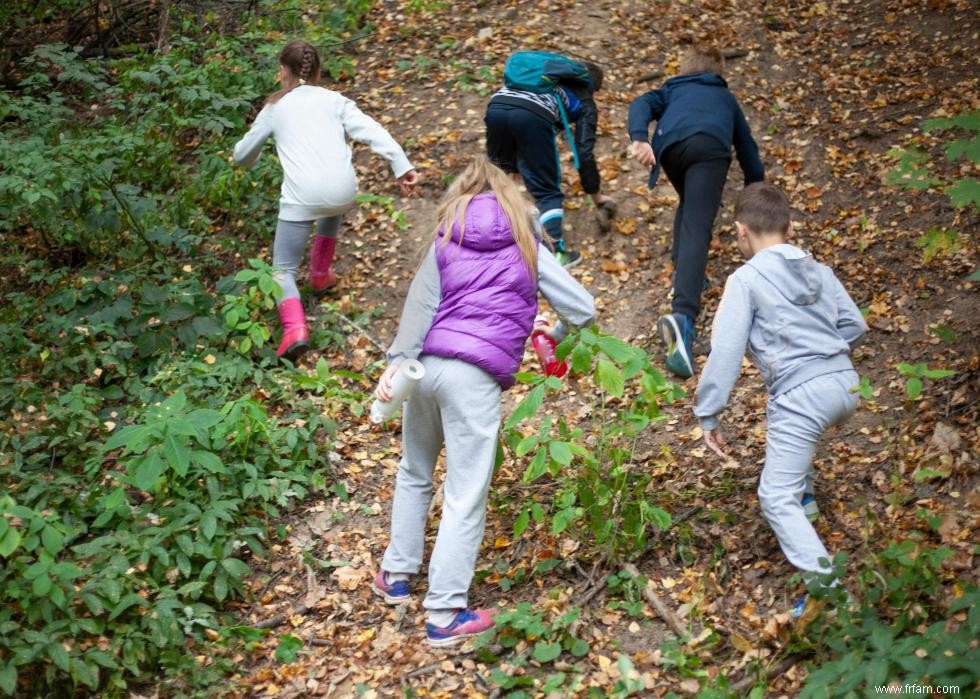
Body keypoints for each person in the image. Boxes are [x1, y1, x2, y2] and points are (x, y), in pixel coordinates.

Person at [372, 156, 595, 646]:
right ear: (511, 199)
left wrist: (396, 364)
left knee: (414, 470)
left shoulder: (447, 237)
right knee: (465, 491)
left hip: (425, 367)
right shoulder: (526, 241)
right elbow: (583, 308)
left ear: (462, 196)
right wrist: (552, 333)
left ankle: (396, 575)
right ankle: (445, 613)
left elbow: (419, 304)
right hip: (473, 375)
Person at [694, 183, 867, 617]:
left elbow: (726, 351)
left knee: (774, 495)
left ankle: (831, 597)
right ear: (789, 227)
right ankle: (807, 502)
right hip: (845, 383)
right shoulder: (820, 270)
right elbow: (856, 325)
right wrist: (825, 357)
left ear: (740, 231)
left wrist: (708, 412)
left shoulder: (746, 279)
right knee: (789, 425)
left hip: (803, 394)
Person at [233, 39, 418, 361]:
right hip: (343, 192)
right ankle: (320, 275)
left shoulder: (274, 108)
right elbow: (373, 131)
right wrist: (401, 166)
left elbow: (242, 157)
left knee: (283, 269)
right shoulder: (336, 101)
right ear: (318, 71)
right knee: (330, 197)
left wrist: (244, 155)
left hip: (302, 196)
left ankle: (294, 329)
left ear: (282, 71)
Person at [628, 44, 765, 378]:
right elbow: (748, 151)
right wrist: (755, 191)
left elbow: (641, 102)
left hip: (669, 147)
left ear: (685, 68)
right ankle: (683, 318)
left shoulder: (671, 90)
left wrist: (639, 137)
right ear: (718, 73)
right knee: (699, 224)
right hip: (708, 146)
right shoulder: (724, 98)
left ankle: (683, 271)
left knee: (691, 206)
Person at [486, 57, 615, 268]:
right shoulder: (585, 100)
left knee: (494, 179)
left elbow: (515, 112)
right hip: (532, 114)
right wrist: (597, 196)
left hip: (497, 105)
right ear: (595, 90)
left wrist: (514, 164)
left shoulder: (545, 81)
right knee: (548, 192)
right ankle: (556, 256)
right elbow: (584, 153)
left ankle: (483, 242)